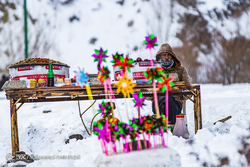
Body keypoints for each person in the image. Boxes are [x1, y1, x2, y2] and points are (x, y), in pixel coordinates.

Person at [152, 43, 192, 124]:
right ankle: (173, 128)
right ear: (159, 57)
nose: (166, 57)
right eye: (164, 55)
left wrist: (181, 93)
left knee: (169, 100)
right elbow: (148, 95)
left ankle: (166, 129)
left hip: (176, 103)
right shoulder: (154, 70)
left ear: (172, 56)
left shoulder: (181, 70)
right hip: (158, 103)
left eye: (168, 55)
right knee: (166, 100)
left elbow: (189, 91)